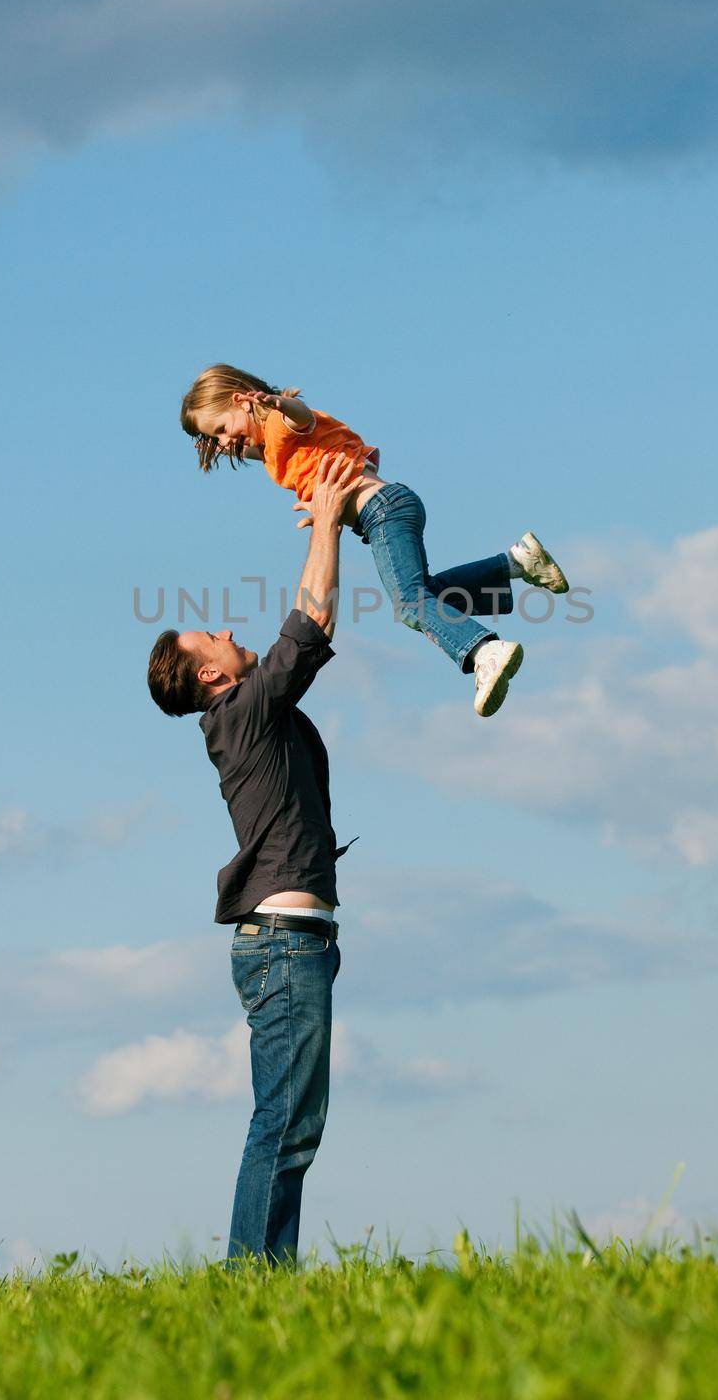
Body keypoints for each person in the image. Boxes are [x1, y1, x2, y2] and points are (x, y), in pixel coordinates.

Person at [146, 451, 366, 1264]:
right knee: (285, 1121)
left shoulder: (249, 718)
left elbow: (299, 643)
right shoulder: (238, 716)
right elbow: (307, 628)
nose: (231, 633)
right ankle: (251, 1281)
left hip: (293, 942)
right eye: (216, 635)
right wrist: (331, 522)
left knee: (291, 1120)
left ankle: (260, 1276)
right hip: (280, 943)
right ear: (211, 675)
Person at [180, 362, 569, 718]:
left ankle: (483, 650)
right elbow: (255, 447)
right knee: (424, 595)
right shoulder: (271, 450)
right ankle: (516, 562)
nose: (224, 442)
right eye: (213, 439)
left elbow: (300, 416)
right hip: (388, 508)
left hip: (381, 511)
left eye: (220, 430)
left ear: (242, 401)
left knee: (411, 604)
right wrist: (215, 440)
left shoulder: (282, 423)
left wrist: (277, 402)